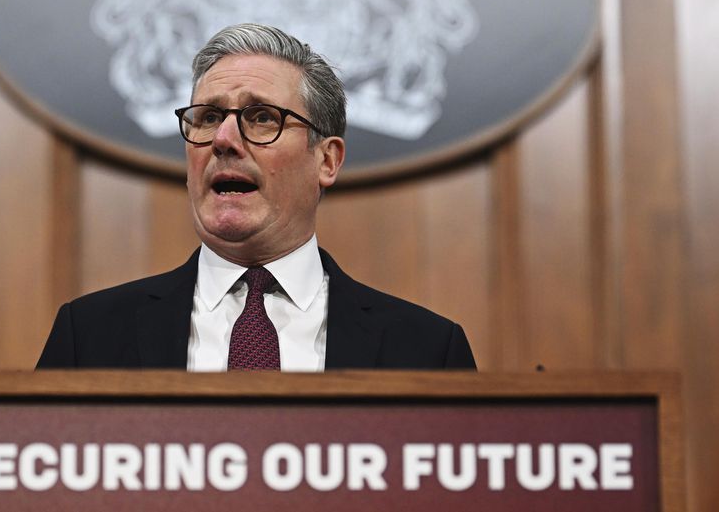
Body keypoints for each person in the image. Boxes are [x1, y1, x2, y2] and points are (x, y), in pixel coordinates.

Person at [38, 23, 476, 371]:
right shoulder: (88, 336)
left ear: (327, 160)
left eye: (262, 117)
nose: (223, 139)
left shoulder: (427, 349)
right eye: (208, 117)